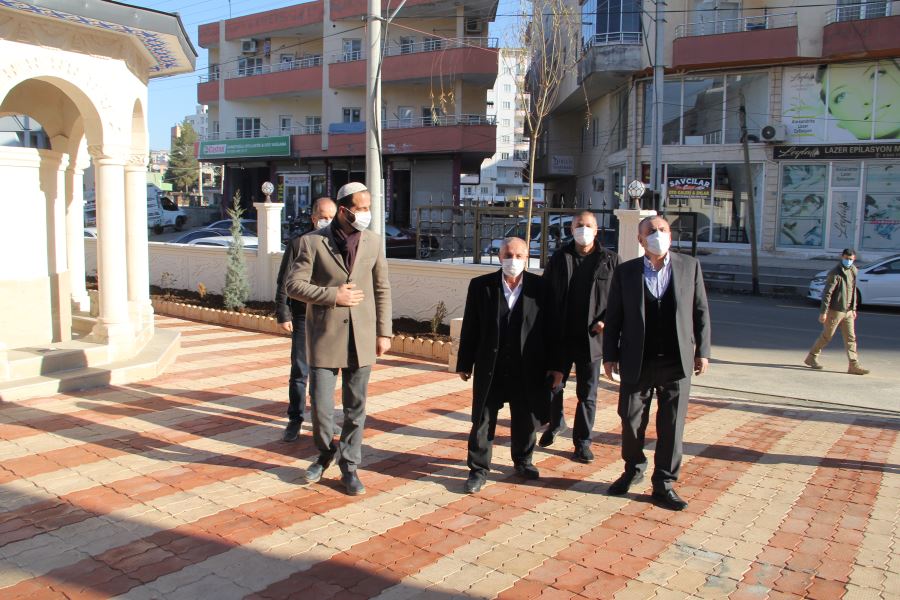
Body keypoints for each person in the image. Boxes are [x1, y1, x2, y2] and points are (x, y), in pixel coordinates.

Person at [285, 182, 392, 496]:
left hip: (362, 337)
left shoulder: (373, 242)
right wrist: (333, 296)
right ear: (344, 210)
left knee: (355, 408)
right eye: (361, 208)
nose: (366, 214)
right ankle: (324, 451)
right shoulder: (312, 242)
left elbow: (382, 288)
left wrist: (384, 331)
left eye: (368, 207)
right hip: (325, 337)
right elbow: (294, 285)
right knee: (320, 408)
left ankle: (350, 466)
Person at [602, 215, 711, 511]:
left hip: (677, 359)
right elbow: (614, 317)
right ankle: (633, 468)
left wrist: (703, 351)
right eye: (651, 231)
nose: (658, 235)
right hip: (638, 359)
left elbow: (700, 310)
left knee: (672, 424)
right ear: (640, 240)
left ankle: (664, 483)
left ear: (671, 236)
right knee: (630, 418)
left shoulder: (690, 267)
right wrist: (609, 354)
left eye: (663, 230)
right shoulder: (626, 272)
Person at [456, 237, 563, 494]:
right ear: (499, 256)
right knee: (483, 419)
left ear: (527, 258)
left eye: (518, 255)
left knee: (526, 418)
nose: (512, 260)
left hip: (528, 367)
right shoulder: (481, 286)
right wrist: (464, 363)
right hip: (490, 366)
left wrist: (557, 366)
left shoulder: (541, 288)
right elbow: (471, 326)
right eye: (507, 254)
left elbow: (554, 330)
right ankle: (478, 469)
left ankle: (523, 460)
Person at [539, 211, 620, 463]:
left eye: (588, 226)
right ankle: (556, 422)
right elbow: (545, 292)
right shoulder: (560, 257)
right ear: (571, 229)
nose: (583, 229)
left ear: (596, 230)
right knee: (553, 385)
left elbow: (620, 297)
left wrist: (607, 321)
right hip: (561, 335)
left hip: (591, 339)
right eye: (578, 225)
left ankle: (582, 442)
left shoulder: (610, 260)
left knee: (588, 393)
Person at [274, 197, 337, 442]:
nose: (327, 221)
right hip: (302, 316)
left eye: (332, 216)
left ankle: (326, 421)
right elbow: (284, 281)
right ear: (314, 218)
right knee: (300, 370)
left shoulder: (338, 244)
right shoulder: (299, 243)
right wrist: (283, 312)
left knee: (327, 372)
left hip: (329, 317)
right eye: (323, 216)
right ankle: (295, 418)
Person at [804, 248, 869, 375]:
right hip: (835, 310)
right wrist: (824, 312)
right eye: (846, 258)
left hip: (848, 311)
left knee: (851, 338)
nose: (848, 261)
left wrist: (853, 308)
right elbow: (827, 293)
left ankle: (853, 365)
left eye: (851, 259)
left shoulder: (853, 270)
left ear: (854, 259)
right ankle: (812, 357)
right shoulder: (835, 273)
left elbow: (853, 290)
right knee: (827, 336)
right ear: (842, 257)